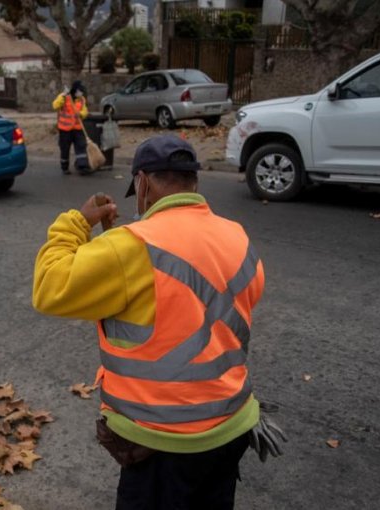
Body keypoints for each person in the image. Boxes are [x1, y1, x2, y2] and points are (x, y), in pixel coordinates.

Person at [32, 135, 272, 509]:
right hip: (232, 426)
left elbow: (49, 287)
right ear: (195, 182)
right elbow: (181, 301)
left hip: (164, 444)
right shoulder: (235, 235)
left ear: (142, 183)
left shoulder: (132, 247)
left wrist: (77, 222)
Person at [52, 80, 89, 175]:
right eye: (79, 91)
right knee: (65, 149)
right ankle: (64, 167)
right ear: (75, 91)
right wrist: (63, 97)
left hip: (77, 128)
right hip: (65, 129)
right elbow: (55, 106)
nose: (81, 93)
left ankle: (82, 166)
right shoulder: (64, 97)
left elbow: (85, 111)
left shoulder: (82, 99)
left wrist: (80, 114)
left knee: (81, 146)